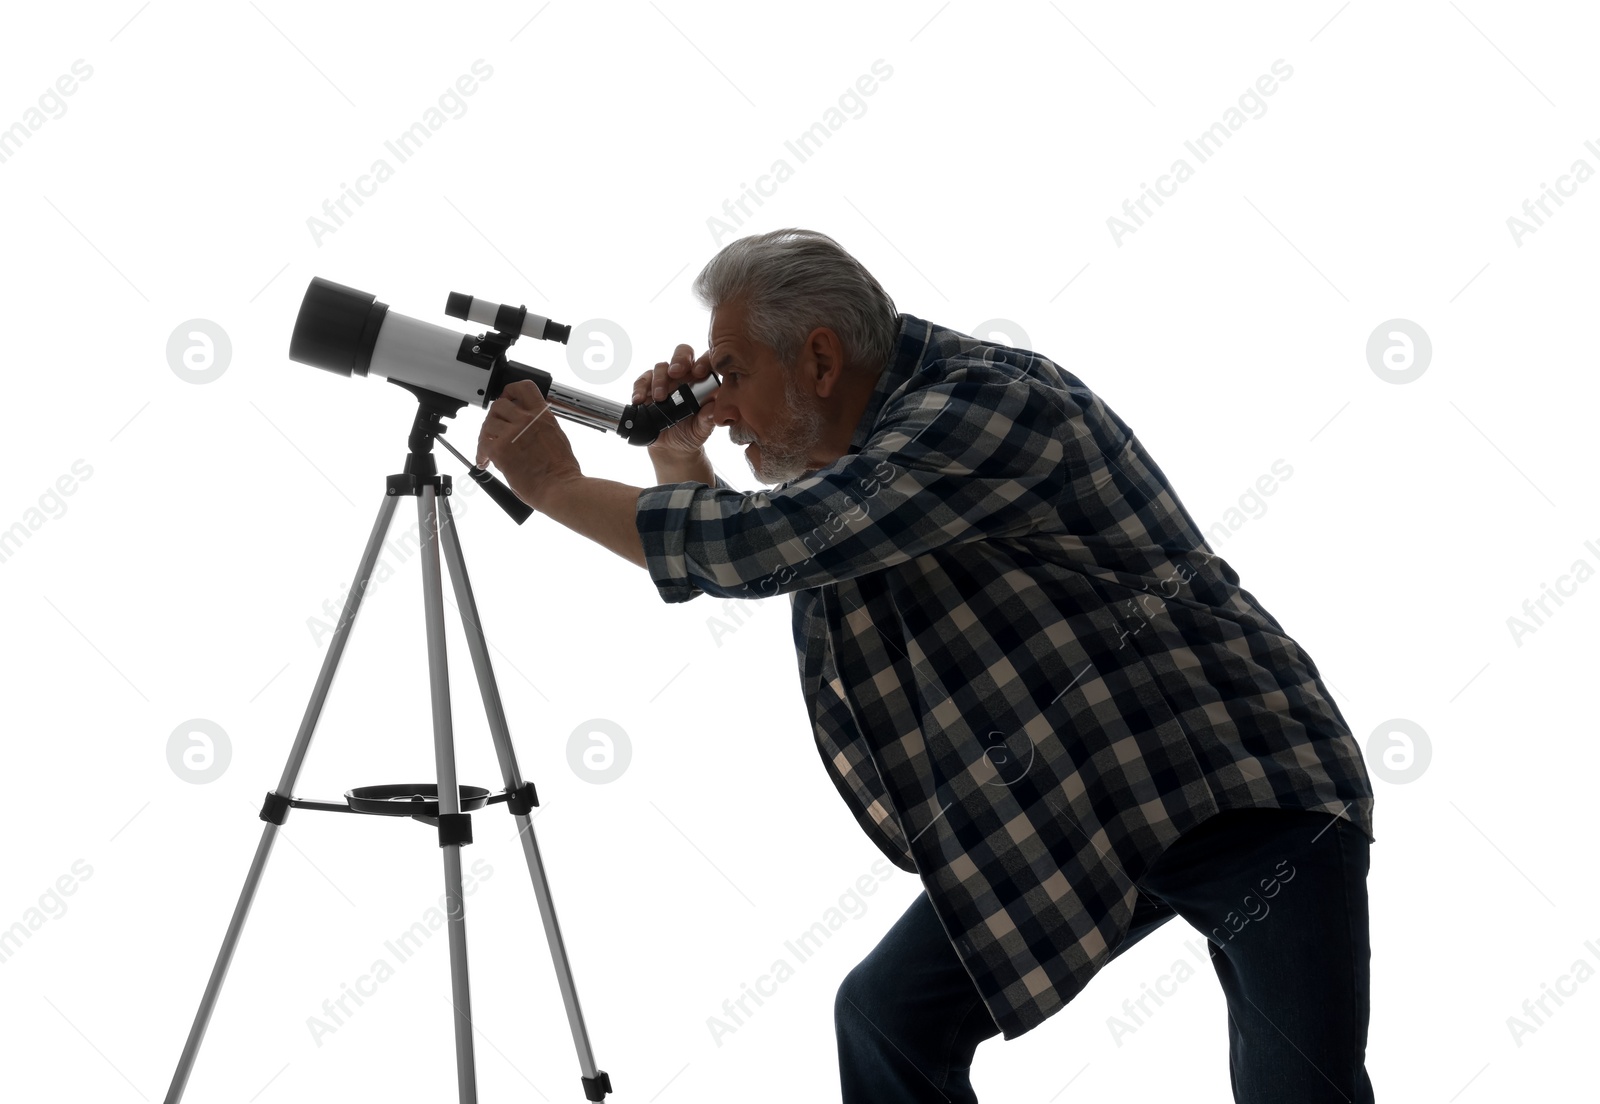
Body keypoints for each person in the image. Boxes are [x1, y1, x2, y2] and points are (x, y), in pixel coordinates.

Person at [475, 228, 1376, 1103]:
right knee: (888, 1020)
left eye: (734, 373)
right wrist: (681, 454)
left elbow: (762, 547)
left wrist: (555, 487)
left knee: (1300, 1086)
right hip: (1083, 802)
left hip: (1244, 782)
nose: (721, 399)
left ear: (821, 361)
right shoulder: (868, 461)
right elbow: (770, 542)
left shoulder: (983, 407)